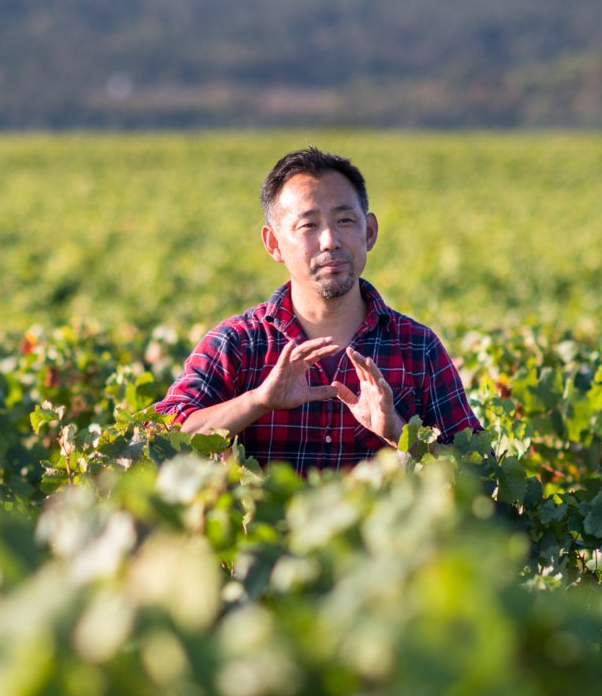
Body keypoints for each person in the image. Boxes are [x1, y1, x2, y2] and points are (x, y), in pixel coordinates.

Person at [154, 146, 480, 473]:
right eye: (308, 225)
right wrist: (258, 401)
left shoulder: (417, 347)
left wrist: (398, 433)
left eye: (344, 221)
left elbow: (480, 472)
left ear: (369, 232)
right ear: (273, 244)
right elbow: (161, 441)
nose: (329, 241)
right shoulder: (238, 343)